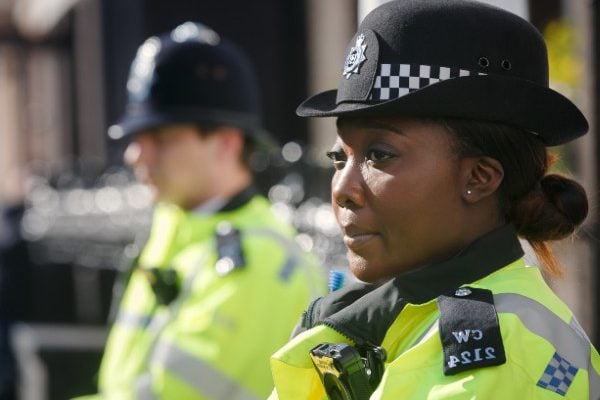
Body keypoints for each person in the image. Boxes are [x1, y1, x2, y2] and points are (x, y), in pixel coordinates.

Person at [268, 1, 600, 399]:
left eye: (379, 155)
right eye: (339, 158)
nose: (342, 189)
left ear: (479, 178)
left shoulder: (498, 353)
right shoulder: (406, 313)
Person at [82, 22, 325, 399]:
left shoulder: (262, 261)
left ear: (226, 142)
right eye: (135, 139)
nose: (134, 155)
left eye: (160, 138)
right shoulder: (175, 227)